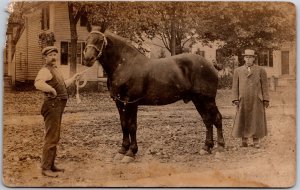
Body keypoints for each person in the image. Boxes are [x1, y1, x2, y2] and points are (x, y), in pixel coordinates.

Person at [34, 46, 80, 177]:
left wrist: (74, 78)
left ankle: (51, 165)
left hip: (57, 106)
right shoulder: (45, 70)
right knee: (51, 136)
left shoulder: (55, 70)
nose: (54, 57)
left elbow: (63, 85)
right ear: (45, 57)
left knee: (55, 136)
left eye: (55, 54)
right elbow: (38, 83)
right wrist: (51, 90)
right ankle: (46, 168)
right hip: (52, 105)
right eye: (51, 55)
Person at [232, 49, 270, 148]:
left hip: (256, 99)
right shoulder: (238, 71)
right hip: (243, 99)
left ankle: (256, 141)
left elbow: (265, 86)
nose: (248, 59)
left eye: (250, 57)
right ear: (244, 58)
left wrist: (265, 99)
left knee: (256, 119)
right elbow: (235, 86)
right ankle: (244, 140)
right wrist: (235, 98)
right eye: (246, 57)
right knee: (242, 118)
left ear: (254, 59)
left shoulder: (260, 70)